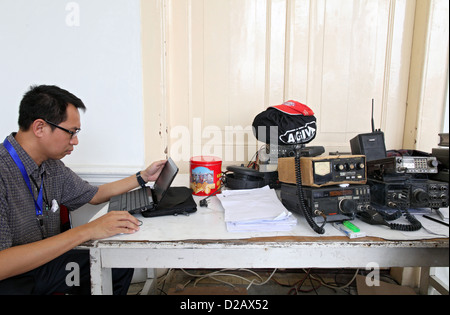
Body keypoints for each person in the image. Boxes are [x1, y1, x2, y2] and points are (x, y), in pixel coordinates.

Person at [0, 85, 166, 294]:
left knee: (117, 264)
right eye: (71, 132)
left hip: (45, 264)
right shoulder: (3, 171)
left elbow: (94, 195)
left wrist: (143, 177)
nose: (75, 141)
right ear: (40, 127)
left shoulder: (51, 166)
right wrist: (88, 230)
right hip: (12, 278)